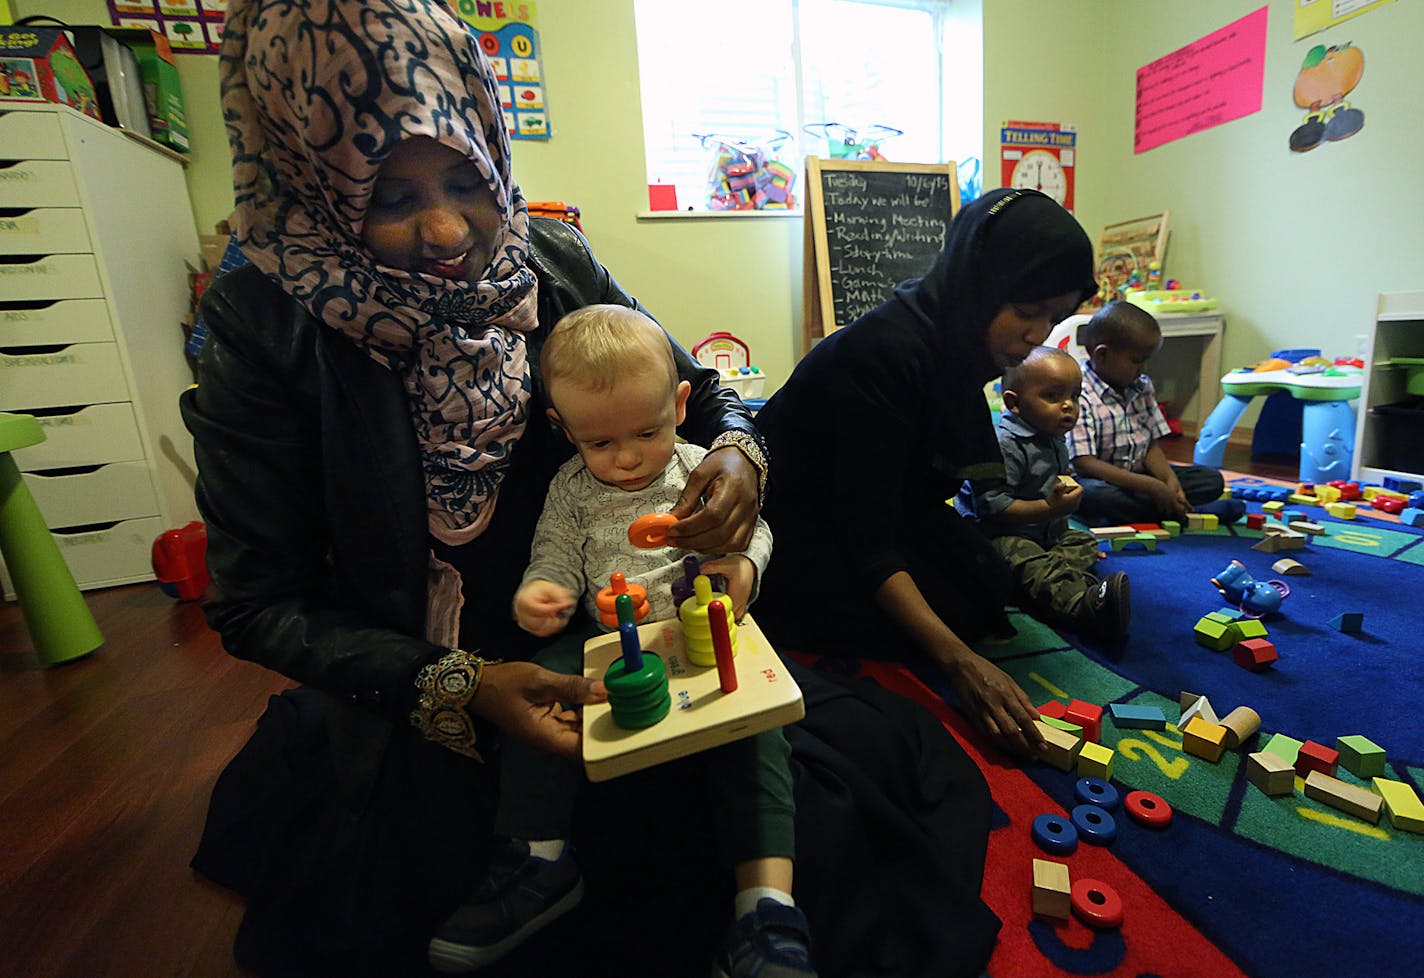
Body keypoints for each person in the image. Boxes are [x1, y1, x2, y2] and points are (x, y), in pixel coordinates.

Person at [182, 2, 1003, 976]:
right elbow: (255, 603)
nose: (446, 229)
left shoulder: (547, 260)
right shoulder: (260, 324)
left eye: (461, 179)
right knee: (438, 893)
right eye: (387, 197)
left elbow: (699, 389)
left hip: (616, 616)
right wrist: (463, 685)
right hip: (423, 668)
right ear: (312, 175)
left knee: (761, 810)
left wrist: (738, 455)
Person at [431, 304, 805, 976]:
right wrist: (542, 592)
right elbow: (554, 555)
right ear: (563, 430)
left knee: (760, 725)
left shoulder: (696, 469)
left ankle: (767, 902)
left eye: (645, 432)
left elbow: (755, 531)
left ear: (681, 404)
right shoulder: (570, 490)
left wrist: (744, 566)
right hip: (607, 643)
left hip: (705, 629)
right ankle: (538, 858)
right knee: (537, 687)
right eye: (599, 444)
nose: (627, 458)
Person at [753, 188, 1098, 760]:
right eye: (1028, 311)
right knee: (952, 621)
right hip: (795, 531)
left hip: (882, 507)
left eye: (1054, 317)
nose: (1039, 335)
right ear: (979, 286)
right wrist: (959, 663)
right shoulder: (884, 353)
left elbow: (923, 487)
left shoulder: (956, 340)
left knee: (987, 580)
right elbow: (867, 537)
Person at [959, 346, 1131, 643]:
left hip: (1044, 531)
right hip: (998, 537)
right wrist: (1050, 508)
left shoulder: (1051, 435)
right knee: (1028, 560)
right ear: (1014, 403)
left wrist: (1058, 506)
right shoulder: (1005, 446)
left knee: (1084, 541)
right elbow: (993, 509)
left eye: (1075, 396)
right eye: (1053, 396)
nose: (1068, 406)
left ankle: (1038, 586)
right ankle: (1084, 607)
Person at [1068, 301, 1243, 527]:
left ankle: (1156, 508)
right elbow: (1084, 464)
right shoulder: (1078, 391)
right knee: (1093, 495)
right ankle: (1184, 513)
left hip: (1139, 477)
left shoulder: (1141, 386)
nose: (1143, 370)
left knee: (1211, 480)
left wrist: (1168, 480)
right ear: (1102, 355)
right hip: (1098, 481)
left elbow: (1150, 445)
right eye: (1136, 361)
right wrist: (1151, 486)